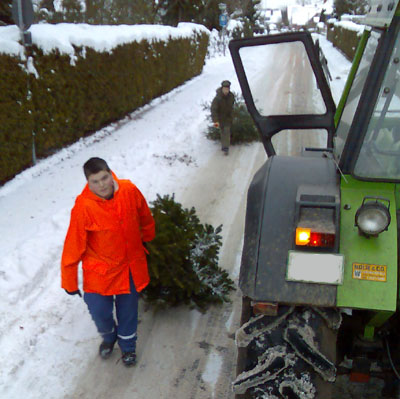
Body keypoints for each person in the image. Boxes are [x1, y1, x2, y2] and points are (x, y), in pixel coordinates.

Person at [61, 157, 155, 367]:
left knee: (128, 312)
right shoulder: (83, 207)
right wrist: (69, 281)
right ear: (88, 182)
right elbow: (73, 244)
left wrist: (148, 237)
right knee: (99, 311)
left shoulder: (129, 190)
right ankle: (109, 335)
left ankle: (128, 348)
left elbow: (144, 214)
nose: (102, 184)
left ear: (111, 173)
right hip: (99, 272)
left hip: (128, 266)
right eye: (95, 181)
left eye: (105, 177)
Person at [211, 80, 235, 155]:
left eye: (227, 89)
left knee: (227, 132)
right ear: (222, 88)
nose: (226, 90)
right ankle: (224, 145)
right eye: (225, 89)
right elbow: (213, 109)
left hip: (227, 118)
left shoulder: (231, 96)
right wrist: (215, 121)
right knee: (222, 132)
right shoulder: (217, 98)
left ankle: (225, 148)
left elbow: (232, 107)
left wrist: (231, 116)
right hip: (219, 119)